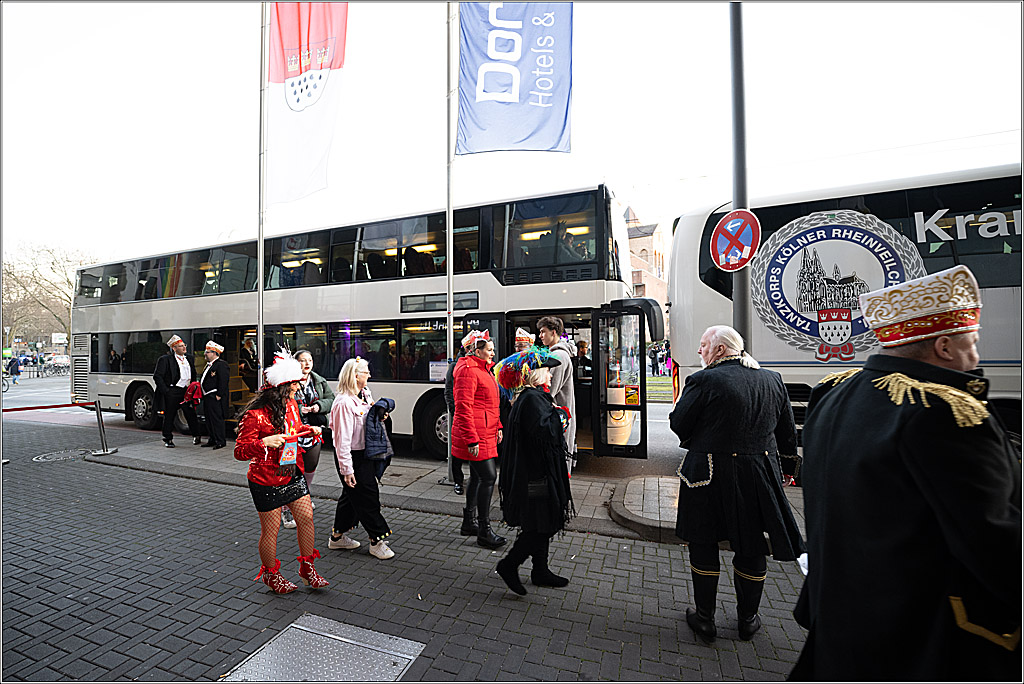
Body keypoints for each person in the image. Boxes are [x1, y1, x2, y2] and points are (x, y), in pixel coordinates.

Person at [790, 265, 1021, 681]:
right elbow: (996, 546)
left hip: (843, 626)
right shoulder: (946, 412)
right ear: (945, 347)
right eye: (974, 344)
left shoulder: (835, 393)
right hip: (922, 644)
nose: (977, 358)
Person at [669, 325, 805, 643]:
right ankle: (748, 619)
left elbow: (679, 424)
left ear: (719, 349)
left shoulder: (704, 380)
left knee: (704, 543)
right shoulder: (772, 379)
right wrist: (786, 469)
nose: (699, 351)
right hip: (758, 474)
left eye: (703, 345)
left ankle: (705, 619)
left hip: (708, 474)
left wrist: (700, 437)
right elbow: (787, 431)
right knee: (751, 546)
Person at [233, 351, 328, 594]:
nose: (298, 387)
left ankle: (307, 568)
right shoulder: (254, 415)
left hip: (290, 471)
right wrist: (265, 442)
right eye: (294, 384)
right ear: (281, 387)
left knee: (306, 519)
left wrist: (308, 430)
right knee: (271, 530)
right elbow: (240, 451)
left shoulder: (293, 405)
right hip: (264, 479)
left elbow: (295, 428)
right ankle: (271, 575)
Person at [494, 347, 575, 595]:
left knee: (539, 523)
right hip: (535, 475)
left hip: (535, 472)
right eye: (548, 371)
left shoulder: (532, 397)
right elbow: (544, 432)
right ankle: (509, 564)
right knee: (544, 524)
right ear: (537, 374)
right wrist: (561, 418)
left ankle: (540, 570)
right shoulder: (531, 399)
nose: (551, 376)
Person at [328, 357, 395, 560]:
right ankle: (377, 540)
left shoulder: (364, 394)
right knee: (368, 497)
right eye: (366, 372)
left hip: (364, 454)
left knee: (351, 496)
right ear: (355, 375)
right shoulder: (343, 403)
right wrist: (346, 470)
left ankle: (337, 537)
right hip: (353, 456)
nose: (369, 375)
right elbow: (342, 441)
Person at [451, 330, 506, 549]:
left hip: (485, 431)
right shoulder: (468, 370)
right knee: (489, 477)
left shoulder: (483, 369)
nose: (493, 354)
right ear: (477, 351)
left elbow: (490, 404)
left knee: (477, 477)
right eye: (489, 350)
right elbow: (463, 407)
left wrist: (499, 426)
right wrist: (472, 439)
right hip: (478, 433)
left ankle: (469, 522)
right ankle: (483, 530)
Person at [281, 350, 335, 528]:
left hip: (312, 431)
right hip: (291, 433)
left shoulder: (318, 380)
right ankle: (286, 509)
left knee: (310, 465)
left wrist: (317, 407)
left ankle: (304, 495)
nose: (307, 364)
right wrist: (298, 407)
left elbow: (331, 399)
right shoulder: (288, 381)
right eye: (303, 361)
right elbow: (280, 402)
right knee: (291, 471)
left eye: (310, 360)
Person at [537, 316, 577, 472]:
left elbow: (550, 391)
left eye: (543, 332)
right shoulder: (559, 353)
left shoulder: (558, 356)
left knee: (558, 462)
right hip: (561, 414)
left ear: (553, 332)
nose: (540, 336)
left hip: (558, 416)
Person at [153, 335, 201, 448]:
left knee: (191, 413)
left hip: (187, 391)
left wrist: (193, 387)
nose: (184, 347)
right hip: (173, 391)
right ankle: (167, 438)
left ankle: (196, 435)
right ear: (174, 348)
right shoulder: (165, 360)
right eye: (180, 346)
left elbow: (193, 373)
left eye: (184, 345)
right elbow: (158, 376)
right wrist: (166, 391)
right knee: (170, 415)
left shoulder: (189, 358)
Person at [444, 343, 469, 497]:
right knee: (458, 449)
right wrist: (455, 410)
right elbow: (448, 391)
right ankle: (458, 481)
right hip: (460, 413)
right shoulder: (455, 366)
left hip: (472, 413)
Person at [199, 341, 230, 450]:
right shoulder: (208, 365)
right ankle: (212, 439)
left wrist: (219, 394)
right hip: (207, 396)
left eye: (207, 352)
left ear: (214, 353)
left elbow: (223, 381)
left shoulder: (221, 365)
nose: (205, 354)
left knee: (217, 419)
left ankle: (220, 440)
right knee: (209, 419)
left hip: (215, 396)